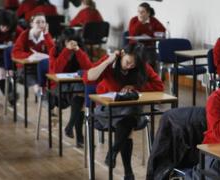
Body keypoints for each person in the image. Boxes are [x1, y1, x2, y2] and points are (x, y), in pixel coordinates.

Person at [84, 44, 164, 180]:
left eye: (133, 65)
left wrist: (137, 86)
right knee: (128, 121)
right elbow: (88, 78)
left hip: (130, 110)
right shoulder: (110, 62)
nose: (130, 66)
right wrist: (108, 61)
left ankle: (114, 151)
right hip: (107, 109)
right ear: (121, 54)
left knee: (128, 117)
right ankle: (128, 171)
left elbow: (159, 86)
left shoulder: (141, 65)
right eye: (127, 62)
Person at [49, 28, 93, 147]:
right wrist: (66, 51)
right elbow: (56, 70)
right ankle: (79, 136)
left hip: (74, 85)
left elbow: (89, 69)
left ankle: (70, 126)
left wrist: (78, 51)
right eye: (68, 42)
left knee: (81, 91)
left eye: (73, 42)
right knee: (80, 96)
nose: (71, 44)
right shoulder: (55, 50)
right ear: (63, 41)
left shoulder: (80, 49)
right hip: (58, 86)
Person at [12, 13, 54, 94]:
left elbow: (53, 52)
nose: (41, 24)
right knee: (37, 83)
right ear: (31, 24)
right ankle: (44, 99)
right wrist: (30, 55)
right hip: (26, 69)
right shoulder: (25, 35)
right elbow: (15, 53)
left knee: (51, 79)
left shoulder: (46, 36)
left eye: (43, 22)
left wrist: (46, 35)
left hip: (41, 68)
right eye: (38, 22)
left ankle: (47, 99)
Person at [0, 10, 23, 104]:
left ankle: (11, 93)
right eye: (2, 26)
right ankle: (11, 95)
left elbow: (23, 40)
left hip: (9, 57)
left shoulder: (16, 29)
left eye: (7, 27)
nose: (5, 29)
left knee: (11, 72)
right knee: (0, 74)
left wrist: (15, 45)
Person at [128, 2, 165, 71]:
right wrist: (139, 22)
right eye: (138, 12)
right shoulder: (134, 20)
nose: (140, 14)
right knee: (141, 56)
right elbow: (132, 34)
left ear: (148, 13)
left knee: (150, 56)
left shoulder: (153, 20)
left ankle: (150, 77)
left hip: (149, 47)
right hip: (134, 46)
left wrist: (151, 34)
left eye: (142, 12)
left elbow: (162, 30)